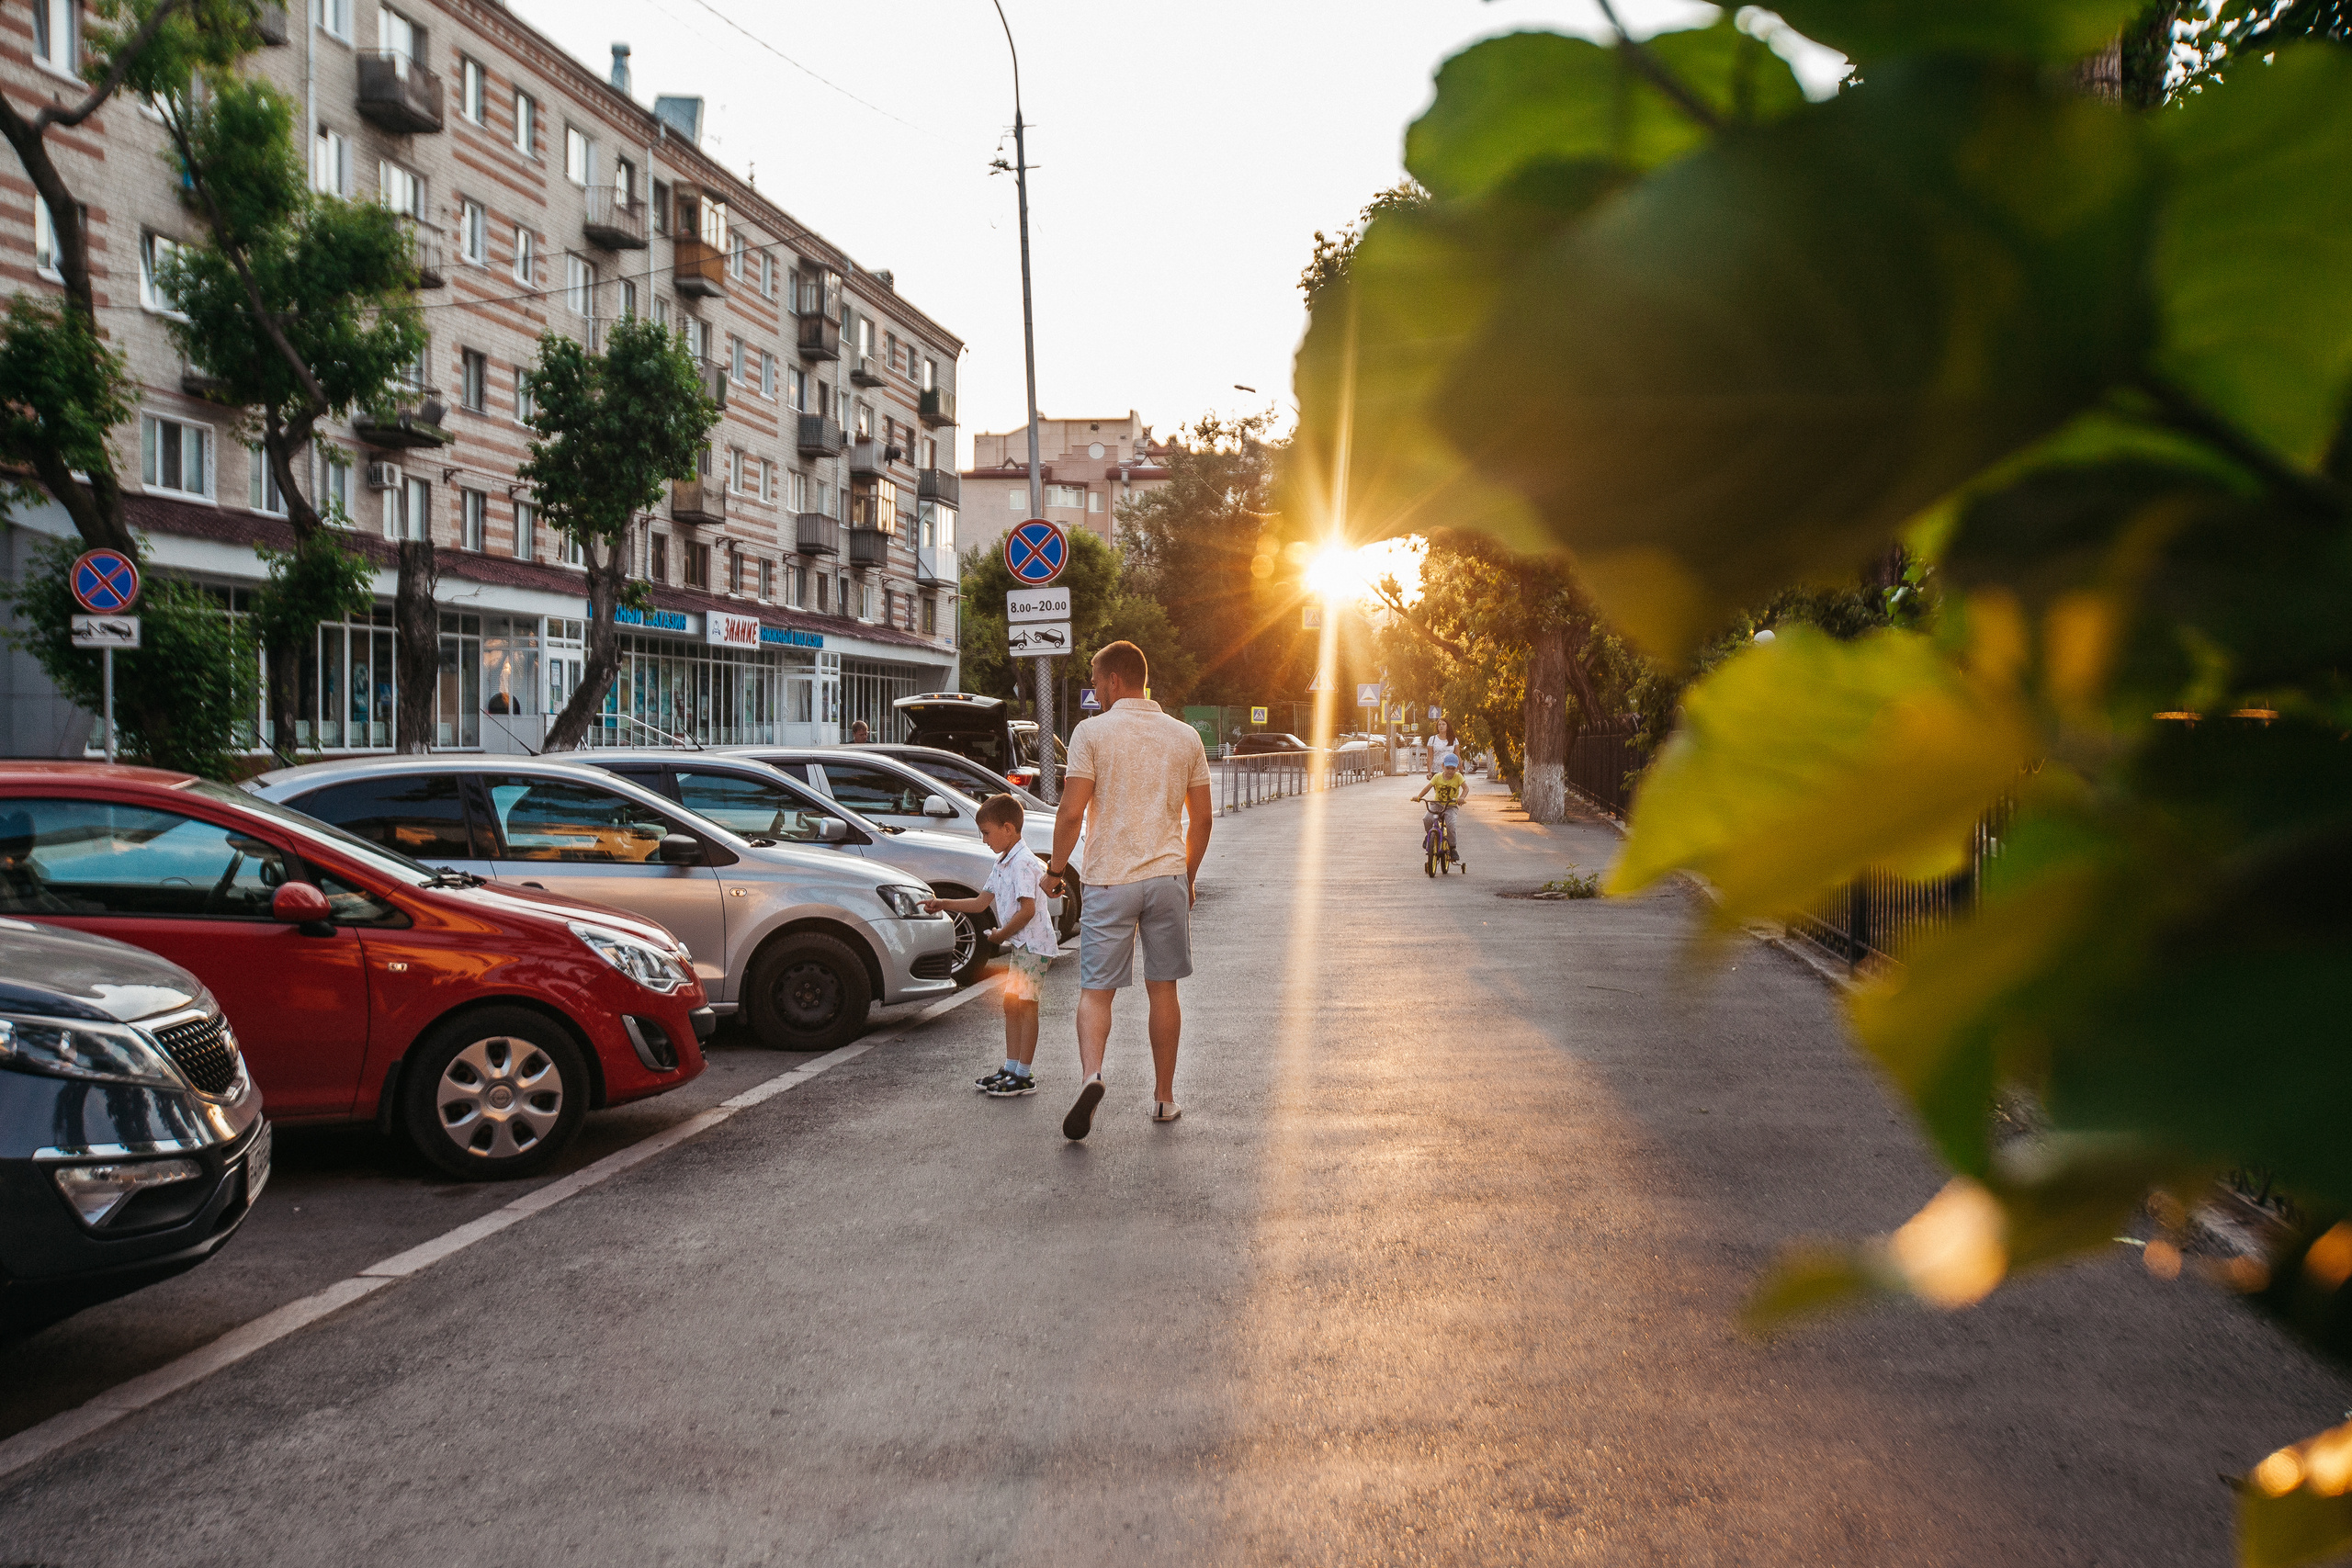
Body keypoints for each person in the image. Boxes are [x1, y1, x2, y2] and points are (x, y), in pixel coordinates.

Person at [1041, 639, 1212, 1139]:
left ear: (1114, 680)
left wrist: (1054, 871)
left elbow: (1071, 813)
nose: (1094, 692)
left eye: (1095, 682)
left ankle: (1093, 1076)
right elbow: (1200, 819)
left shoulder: (1091, 733)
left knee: (1097, 992)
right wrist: (1189, 875)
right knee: (1164, 990)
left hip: (1109, 880)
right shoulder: (1185, 737)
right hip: (1165, 878)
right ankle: (1164, 1099)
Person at [922, 795, 1058, 1098]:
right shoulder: (1002, 862)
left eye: (986, 832)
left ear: (1008, 829)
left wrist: (1000, 935)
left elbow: (1028, 909)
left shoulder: (1023, 863)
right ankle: (1012, 1068)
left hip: (1034, 945)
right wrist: (943, 903)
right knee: (1012, 1004)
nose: (983, 840)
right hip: (1022, 944)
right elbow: (981, 901)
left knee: (1026, 1005)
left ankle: (1024, 1075)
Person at [1411, 753, 1468, 872]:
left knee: (1451, 825)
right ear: (1443, 766)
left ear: (1457, 768)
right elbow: (1428, 787)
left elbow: (1466, 788)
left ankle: (1452, 848)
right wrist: (1419, 796)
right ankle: (1429, 836)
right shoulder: (1437, 777)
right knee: (1426, 819)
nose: (1450, 771)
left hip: (1450, 806)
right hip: (1436, 804)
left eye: (1453, 768)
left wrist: (1461, 797)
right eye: (1448, 768)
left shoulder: (1458, 777)